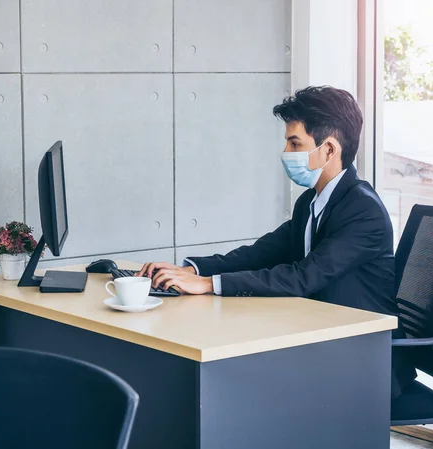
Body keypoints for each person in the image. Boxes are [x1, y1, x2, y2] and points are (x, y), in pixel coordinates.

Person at [137, 85, 415, 398]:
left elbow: (303, 277)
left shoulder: (363, 211)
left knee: (240, 379)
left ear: (329, 150)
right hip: (325, 340)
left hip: (366, 359)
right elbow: (261, 254)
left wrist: (208, 285)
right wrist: (191, 270)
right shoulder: (313, 201)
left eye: (295, 143)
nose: (287, 151)